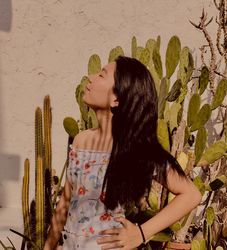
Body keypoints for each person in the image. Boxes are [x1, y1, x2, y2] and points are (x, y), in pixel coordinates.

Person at [44, 56, 202, 250]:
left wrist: (141, 233)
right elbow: (65, 203)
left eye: (101, 75)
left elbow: (191, 195)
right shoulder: (80, 140)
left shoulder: (134, 149)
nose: (91, 77)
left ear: (116, 99)